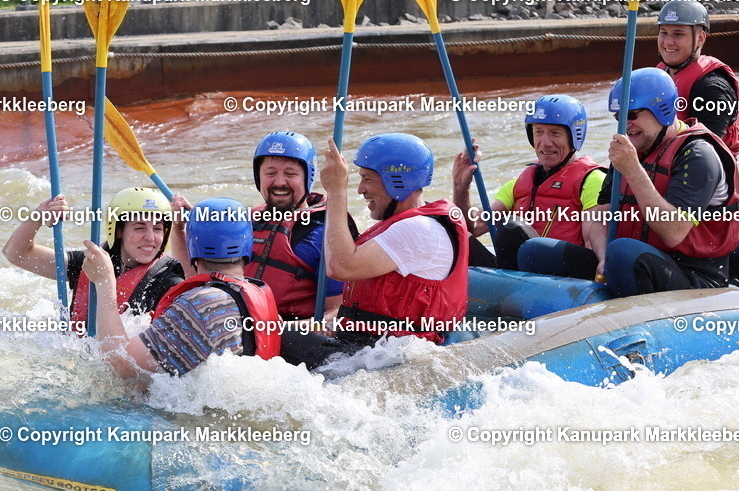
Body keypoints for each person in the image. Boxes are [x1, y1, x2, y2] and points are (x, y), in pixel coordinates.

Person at [281, 133, 468, 368]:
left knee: (281, 339)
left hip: (393, 356)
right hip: (372, 346)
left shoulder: (419, 229)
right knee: (284, 332)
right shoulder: (403, 225)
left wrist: (337, 191)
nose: (360, 189)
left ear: (397, 180)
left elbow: (341, 266)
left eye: (367, 179)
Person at [80, 197, 281, 379]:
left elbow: (120, 366)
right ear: (248, 244)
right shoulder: (253, 291)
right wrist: (179, 232)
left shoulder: (199, 306)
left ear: (195, 246)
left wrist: (104, 282)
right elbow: (199, 284)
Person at [596, 67, 739, 297]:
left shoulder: (697, 154)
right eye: (619, 117)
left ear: (661, 110)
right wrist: (603, 258)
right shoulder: (632, 147)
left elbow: (673, 231)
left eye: (632, 115)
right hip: (633, 261)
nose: (624, 125)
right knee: (537, 251)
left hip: (696, 278)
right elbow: (600, 214)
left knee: (623, 252)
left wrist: (633, 169)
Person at [452, 95, 607, 279]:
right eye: (539, 132)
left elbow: (593, 239)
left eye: (555, 133)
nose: (546, 142)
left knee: (513, 229)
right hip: (522, 276)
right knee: (452, 230)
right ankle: (504, 288)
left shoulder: (592, 179)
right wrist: (460, 187)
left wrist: (604, 262)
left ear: (574, 136)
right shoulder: (520, 182)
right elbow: (475, 226)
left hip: (567, 276)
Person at [2, 187, 184, 333]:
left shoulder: (169, 281)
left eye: (158, 228)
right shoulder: (90, 263)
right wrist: (40, 214)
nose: (151, 238)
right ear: (119, 230)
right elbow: (16, 253)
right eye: (139, 228)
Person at [243, 131, 358, 320]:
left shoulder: (325, 236)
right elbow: (199, 278)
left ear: (308, 177)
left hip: (293, 337)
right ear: (259, 177)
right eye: (270, 173)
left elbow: (337, 314)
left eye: (290, 174)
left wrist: (277, 329)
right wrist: (184, 233)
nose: (280, 182)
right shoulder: (243, 224)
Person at [656, 0, 739, 154]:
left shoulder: (713, 87)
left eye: (678, 34)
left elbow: (704, 153)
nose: (668, 42)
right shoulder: (659, 74)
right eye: (664, 32)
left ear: (701, 38)